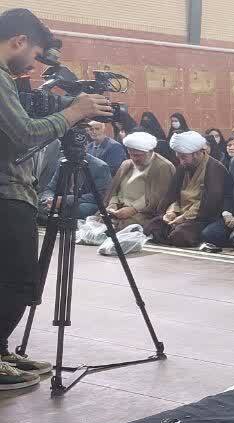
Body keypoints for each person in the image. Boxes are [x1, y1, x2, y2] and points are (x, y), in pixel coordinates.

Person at [0, 8, 115, 388]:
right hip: (6, 193)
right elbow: (25, 135)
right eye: (35, 55)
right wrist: (75, 112)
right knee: (18, 281)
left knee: (10, 279)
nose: (33, 65)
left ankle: (2, 350)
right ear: (19, 41)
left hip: (10, 191)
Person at [146, 131, 227, 247]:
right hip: (180, 213)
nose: (181, 161)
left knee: (180, 235)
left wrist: (184, 217)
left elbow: (210, 204)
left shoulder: (215, 168)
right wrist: (171, 212)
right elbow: (173, 195)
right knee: (151, 227)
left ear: (196, 154)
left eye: (183, 157)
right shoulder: (184, 167)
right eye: (179, 157)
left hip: (201, 217)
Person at [105, 131, 175, 229]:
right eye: (130, 154)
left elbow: (158, 197)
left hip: (144, 212)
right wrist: (113, 204)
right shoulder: (126, 164)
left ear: (150, 152)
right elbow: (115, 190)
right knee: (101, 221)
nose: (134, 159)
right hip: (119, 208)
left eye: (137, 155)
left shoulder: (163, 167)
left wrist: (133, 209)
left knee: (125, 227)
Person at [38, 147, 111, 221]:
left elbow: (97, 197)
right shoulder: (62, 162)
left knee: (79, 209)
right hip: (60, 200)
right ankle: (53, 213)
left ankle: (53, 214)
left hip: (84, 202)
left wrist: (65, 200)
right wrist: (50, 199)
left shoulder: (100, 167)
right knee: (37, 202)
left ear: (85, 147)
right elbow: (51, 188)